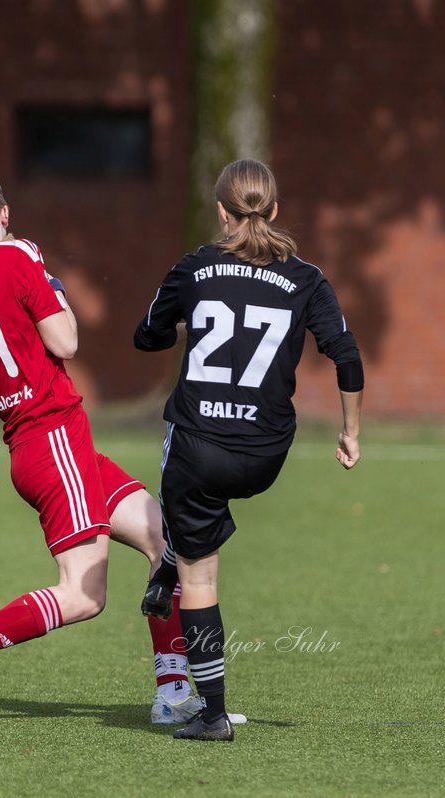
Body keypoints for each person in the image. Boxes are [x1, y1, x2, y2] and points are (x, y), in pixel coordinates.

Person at [0, 167, 230, 727]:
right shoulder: (19, 256)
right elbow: (66, 340)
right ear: (4, 214)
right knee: (83, 595)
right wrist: (51, 284)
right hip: (54, 439)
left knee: (164, 541)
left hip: (41, 446)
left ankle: (172, 692)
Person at [133, 158, 363, 741]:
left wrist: (181, 326)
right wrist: (350, 431)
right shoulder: (306, 277)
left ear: (220, 211)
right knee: (197, 512)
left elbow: (147, 335)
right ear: (276, 210)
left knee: (198, 575)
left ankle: (210, 713)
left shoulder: (195, 267)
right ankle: (171, 557)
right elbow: (348, 357)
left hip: (198, 448)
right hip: (264, 454)